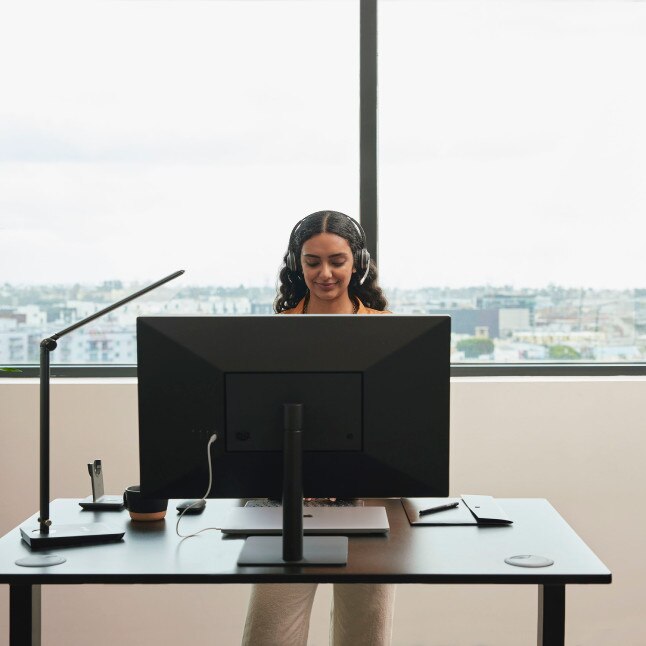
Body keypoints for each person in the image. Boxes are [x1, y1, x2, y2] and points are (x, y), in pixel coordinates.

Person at [241, 210, 395, 646]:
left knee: (365, 634)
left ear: (358, 263)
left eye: (337, 261)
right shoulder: (276, 333)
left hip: (370, 493)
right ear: (296, 264)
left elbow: (403, 427)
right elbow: (254, 425)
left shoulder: (389, 334)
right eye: (312, 261)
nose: (324, 273)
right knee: (269, 635)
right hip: (287, 498)